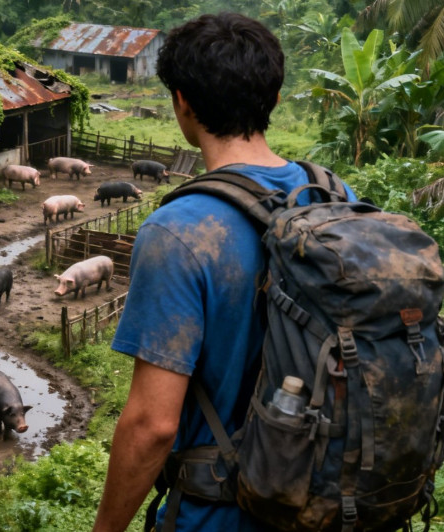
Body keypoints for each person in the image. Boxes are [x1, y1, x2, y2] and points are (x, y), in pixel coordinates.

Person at [92, 12, 356, 532]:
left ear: (181, 103)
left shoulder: (176, 232)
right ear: (276, 100)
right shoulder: (334, 195)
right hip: (328, 503)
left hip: (224, 513)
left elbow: (153, 425)